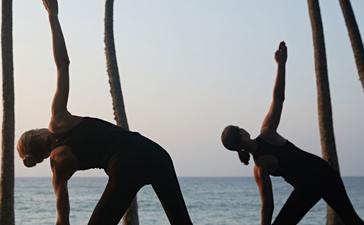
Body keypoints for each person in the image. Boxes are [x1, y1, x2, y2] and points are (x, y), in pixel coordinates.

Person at [17, 1, 193, 225]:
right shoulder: (58, 120)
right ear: (35, 135)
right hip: (153, 153)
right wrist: (53, 16)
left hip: (124, 169)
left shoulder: (57, 169)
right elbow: (63, 64)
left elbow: (63, 220)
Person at [221, 42, 364, 225]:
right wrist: (281, 64)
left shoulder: (259, 167)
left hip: (310, 185)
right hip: (324, 172)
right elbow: (278, 98)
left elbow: (268, 206)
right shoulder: (267, 131)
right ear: (242, 133)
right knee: (351, 219)